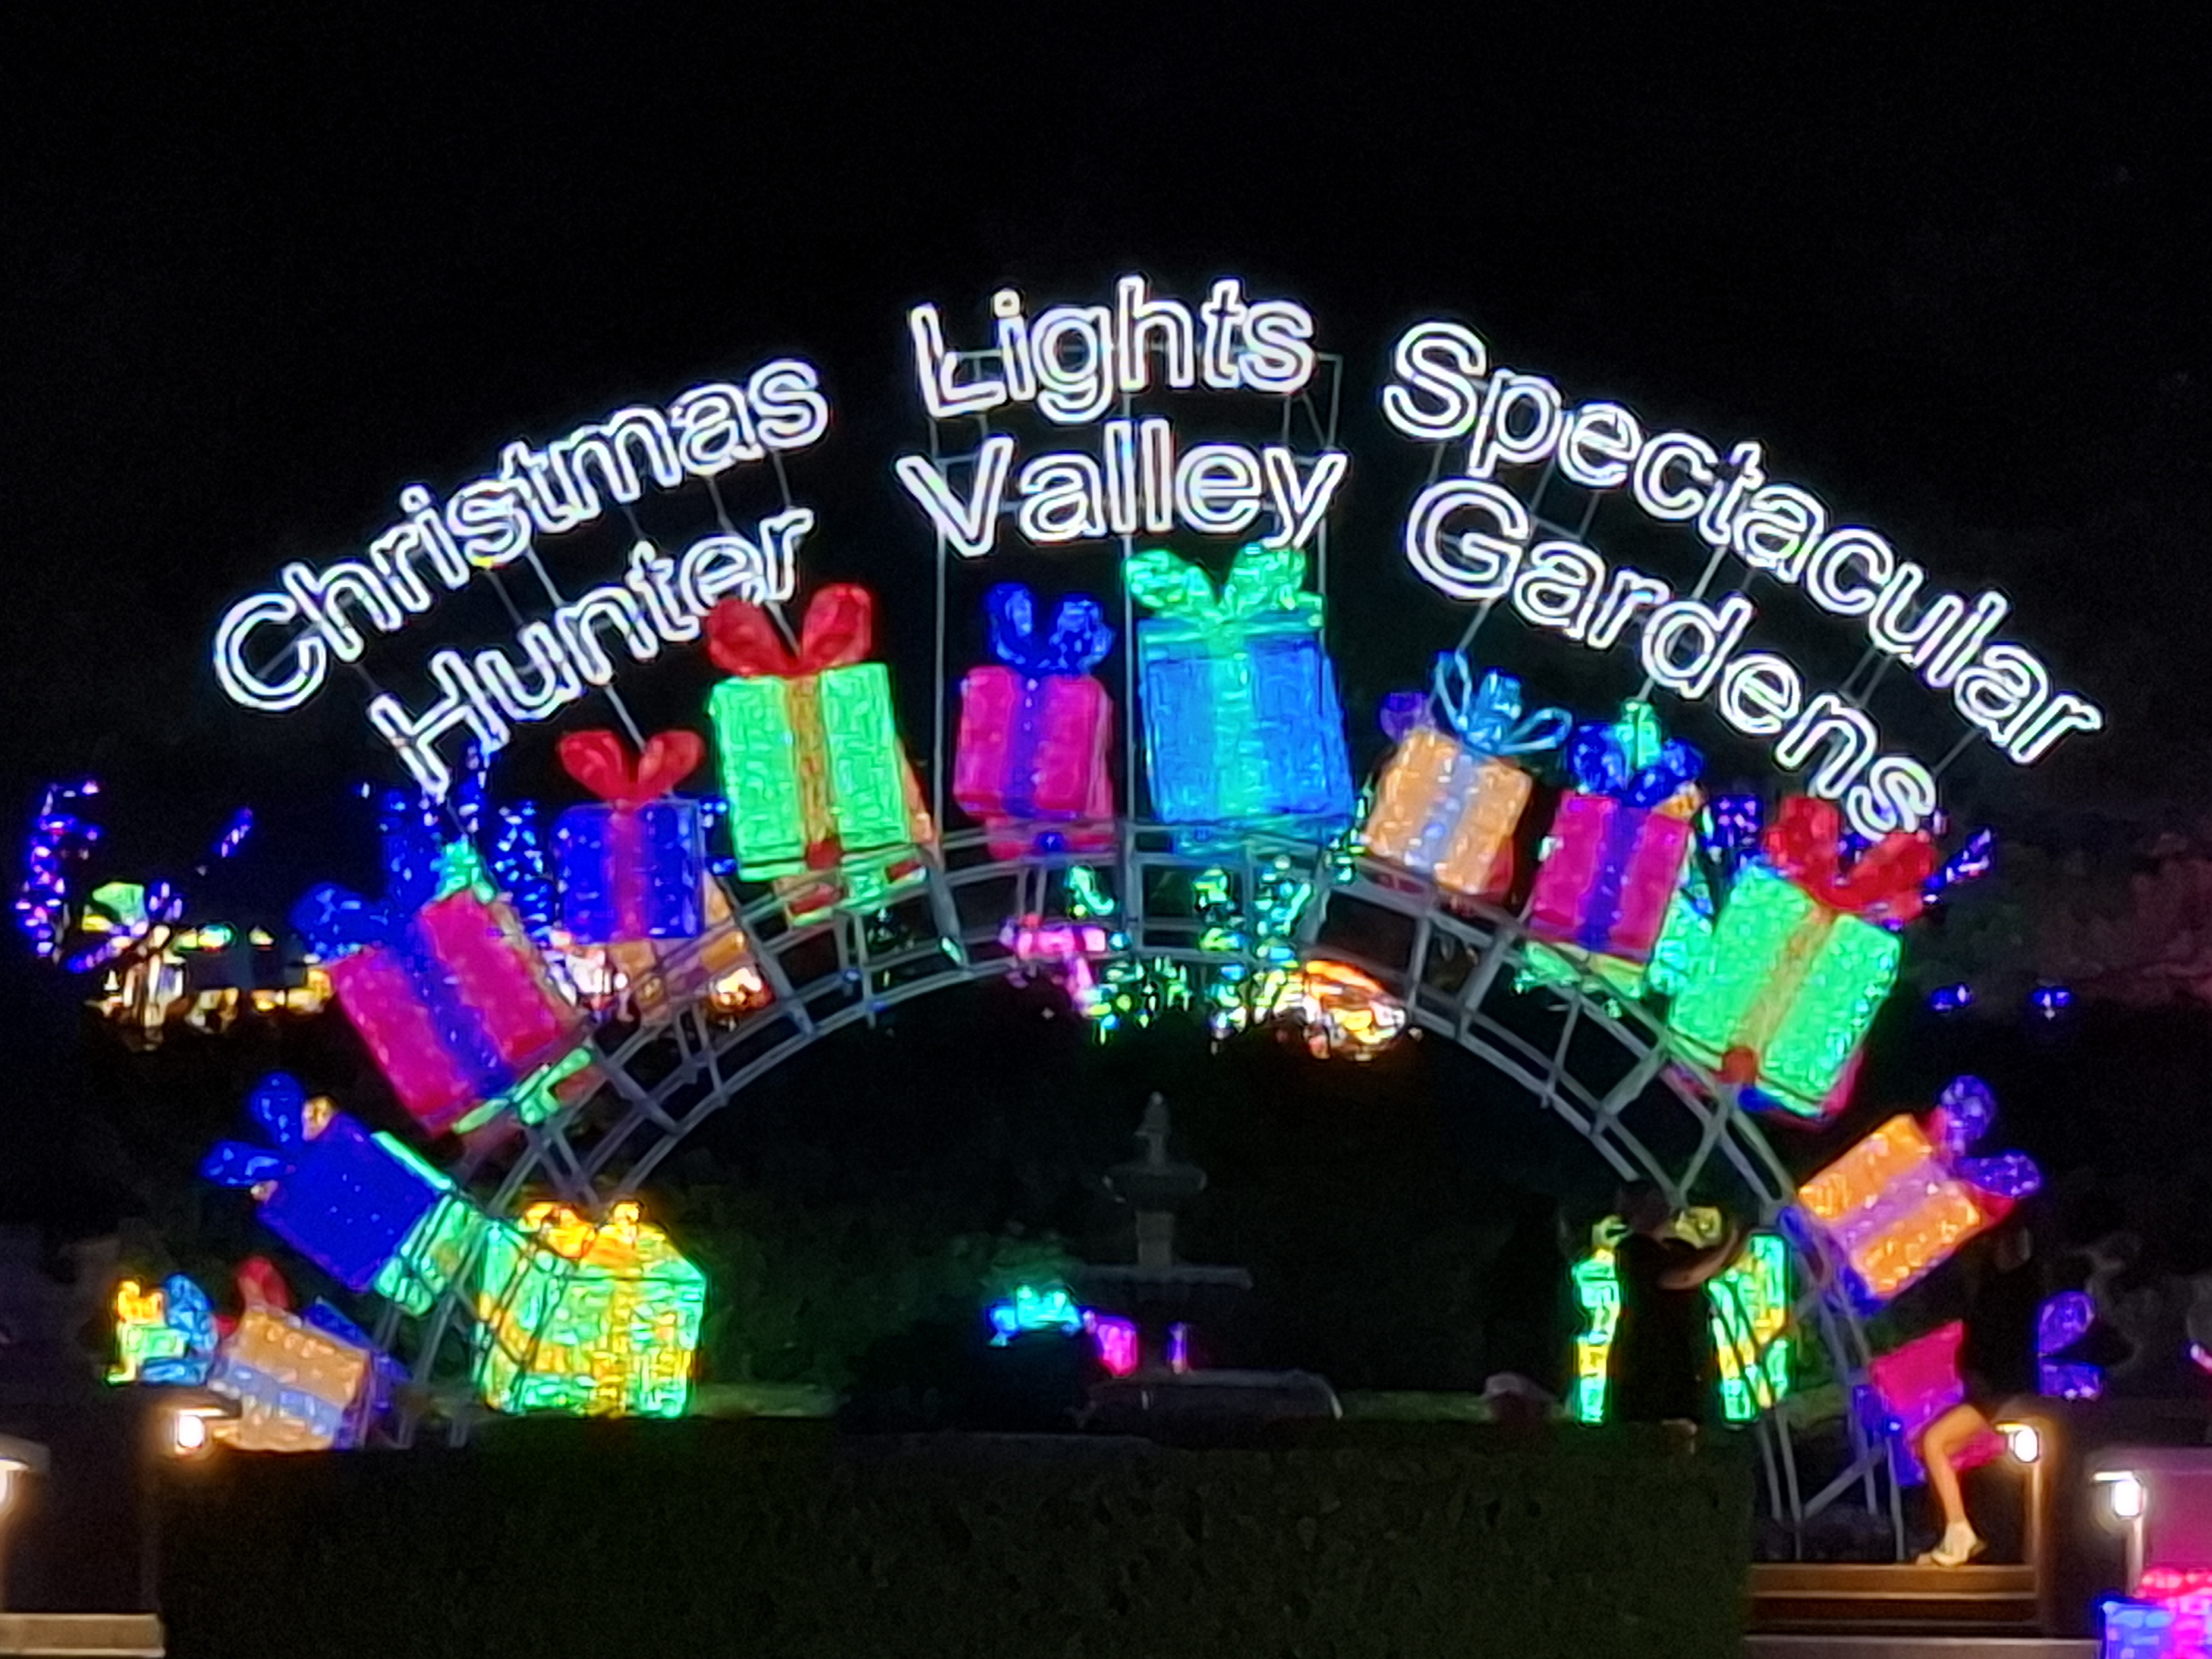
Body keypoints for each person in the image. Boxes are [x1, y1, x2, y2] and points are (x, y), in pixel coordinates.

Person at [1914, 1219, 2042, 1567]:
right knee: (1938, 1449)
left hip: (2001, 1392)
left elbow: (2000, 1343)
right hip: (1989, 1390)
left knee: (1936, 1443)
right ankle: (1956, 1528)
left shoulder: (2019, 1284)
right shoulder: (1992, 1282)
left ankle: (1960, 1532)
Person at [1608, 1184, 1742, 1435]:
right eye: (1657, 1200)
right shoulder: (1633, 1249)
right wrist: (1731, 1239)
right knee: (1660, 1427)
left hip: (1685, 1355)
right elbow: (1682, 1277)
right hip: (1652, 1359)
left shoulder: (1676, 1248)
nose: (1667, 1205)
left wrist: (1735, 1234)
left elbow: (1710, 1265)